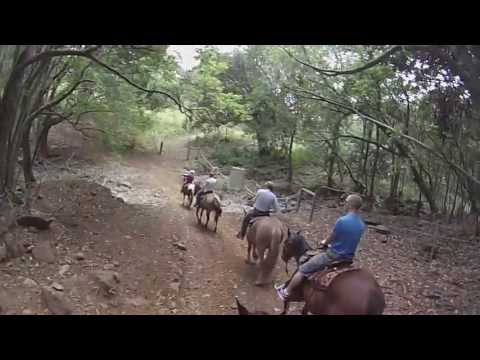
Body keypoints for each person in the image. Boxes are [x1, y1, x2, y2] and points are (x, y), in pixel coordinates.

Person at [275, 194, 365, 301]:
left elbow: (333, 236)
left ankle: (286, 292)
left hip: (333, 255)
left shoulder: (342, 220)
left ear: (350, 204)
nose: (344, 204)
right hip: (348, 259)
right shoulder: (361, 224)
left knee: (303, 269)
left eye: (346, 201)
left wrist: (324, 242)